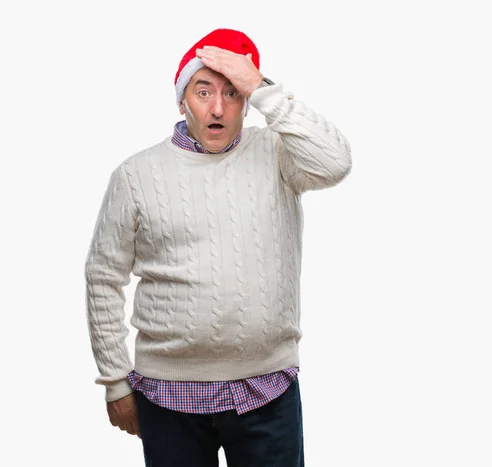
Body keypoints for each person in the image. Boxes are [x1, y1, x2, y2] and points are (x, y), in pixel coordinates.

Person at [84, 27, 352, 467]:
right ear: (181, 99)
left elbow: (337, 162)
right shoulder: (135, 175)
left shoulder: (279, 153)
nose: (217, 107)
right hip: (167, 397)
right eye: (203, 91)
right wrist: (115, 382)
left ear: (246, 103)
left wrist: (263, 89)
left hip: (267, 389)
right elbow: (103, 276)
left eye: (232, 93)